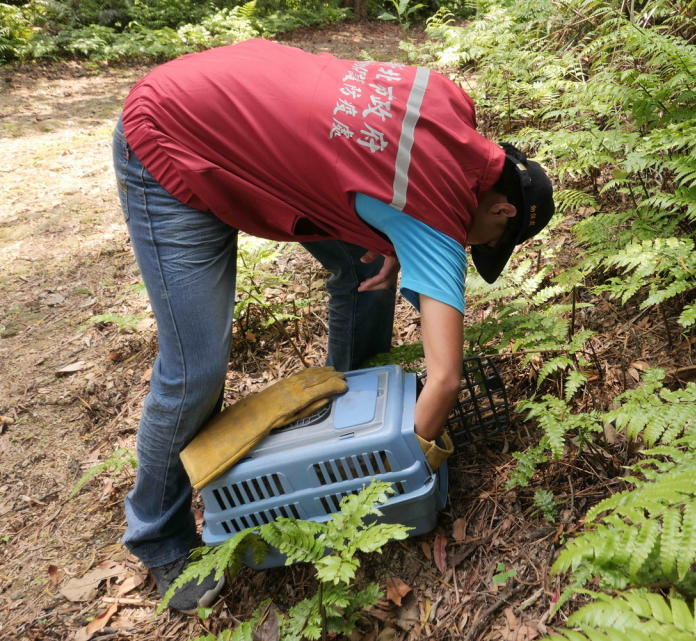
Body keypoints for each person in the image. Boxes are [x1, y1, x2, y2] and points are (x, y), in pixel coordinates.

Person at [111, 38, 554, 613]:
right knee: (194, 368)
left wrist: (387, 233)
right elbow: (445, 380)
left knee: (366, 264)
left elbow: (374, 161)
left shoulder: (451, 108)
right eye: (485, 246)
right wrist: (405, 462)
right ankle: (158, 535)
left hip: (233, 87)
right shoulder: (435, 213)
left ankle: (347, 411)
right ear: (502, 211)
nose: (469, 250)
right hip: (171, 136)